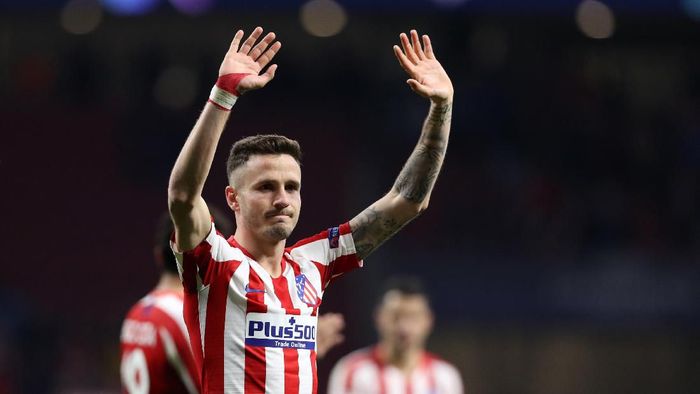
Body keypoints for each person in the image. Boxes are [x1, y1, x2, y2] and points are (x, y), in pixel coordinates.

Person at [167, 26, 453, 393]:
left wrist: (441, 108)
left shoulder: (314, 262)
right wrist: (222, 97)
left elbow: (408, 201)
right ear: (232, 198)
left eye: (292, 187)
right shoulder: (214, 261)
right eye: (266, 187)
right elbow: (182, 196)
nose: (282, 198)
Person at [120, 212, 345, 393]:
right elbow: (223, 382)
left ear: (159, 256)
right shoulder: (178, 315)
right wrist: (295, 351)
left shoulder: (137, 314)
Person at [327, 277, 463, 394]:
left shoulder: (445, 376)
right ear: (379, 317)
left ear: (428, 320)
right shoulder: (353, 371)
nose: (404, 327)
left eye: (413, 317)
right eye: (396, 317)